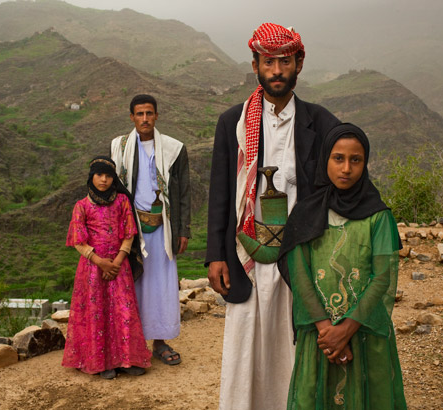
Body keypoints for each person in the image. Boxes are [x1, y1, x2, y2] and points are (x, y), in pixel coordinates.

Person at [206, 23, 341, 409]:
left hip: (300, 256)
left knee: (292, 349)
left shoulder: (321, 123)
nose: (277, 70)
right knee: (245, 347)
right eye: (269, 62)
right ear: (255, 65)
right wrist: (216, 254)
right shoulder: (232, 122)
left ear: (299, 63)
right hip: (246, 252)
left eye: (285, 61)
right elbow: (221, 192)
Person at [278, 123, 407, 409]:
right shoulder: (305, 214)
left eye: (355, 160)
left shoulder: (378, 217)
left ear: (365, 163)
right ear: (325, 160)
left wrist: (346, 329)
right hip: (320, 337)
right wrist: (329, 332)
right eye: (338, 158)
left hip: (363, 333)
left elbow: (382, 277)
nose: (346, 168)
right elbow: (300, 276)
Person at [111, 94, 190, 365]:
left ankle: (159, 342)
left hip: (164, 227)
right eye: (139, 114)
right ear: (131, 117)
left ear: (156, 115)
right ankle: (132, 343)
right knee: (133, 282)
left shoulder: (174, 148)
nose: (145, 119)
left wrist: (183, 230)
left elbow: (183, 193)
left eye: (149, 113)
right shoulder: (119, 147)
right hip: (131, 229)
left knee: (162, 284)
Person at [62, 156, 151, 379]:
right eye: (99, 175)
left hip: (119, 265)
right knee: (97, 313)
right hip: (93, 268)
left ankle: (127, 360)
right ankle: (101, 362)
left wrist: (118, 261)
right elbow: (78, 241)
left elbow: (130, 233)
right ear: (91, 177)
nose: (104, 180)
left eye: (108, 176)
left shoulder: (122, 202)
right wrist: (100, 262)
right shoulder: (81, 206)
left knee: (123, 311)